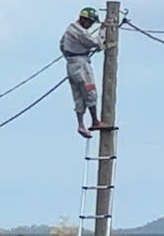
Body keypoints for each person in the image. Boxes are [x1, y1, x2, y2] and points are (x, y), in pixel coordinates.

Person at [60, 7, 107, 139]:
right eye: (90, 22)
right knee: (90, 92)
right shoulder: (81, 32)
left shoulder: (70, 29)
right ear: (84, 20)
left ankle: (81, 125)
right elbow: (97, 43)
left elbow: (62, 45)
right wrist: (103, 29)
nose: (91, 25)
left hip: (71, 65)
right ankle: (95, 121)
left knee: (78, 96)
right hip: (81, 65)